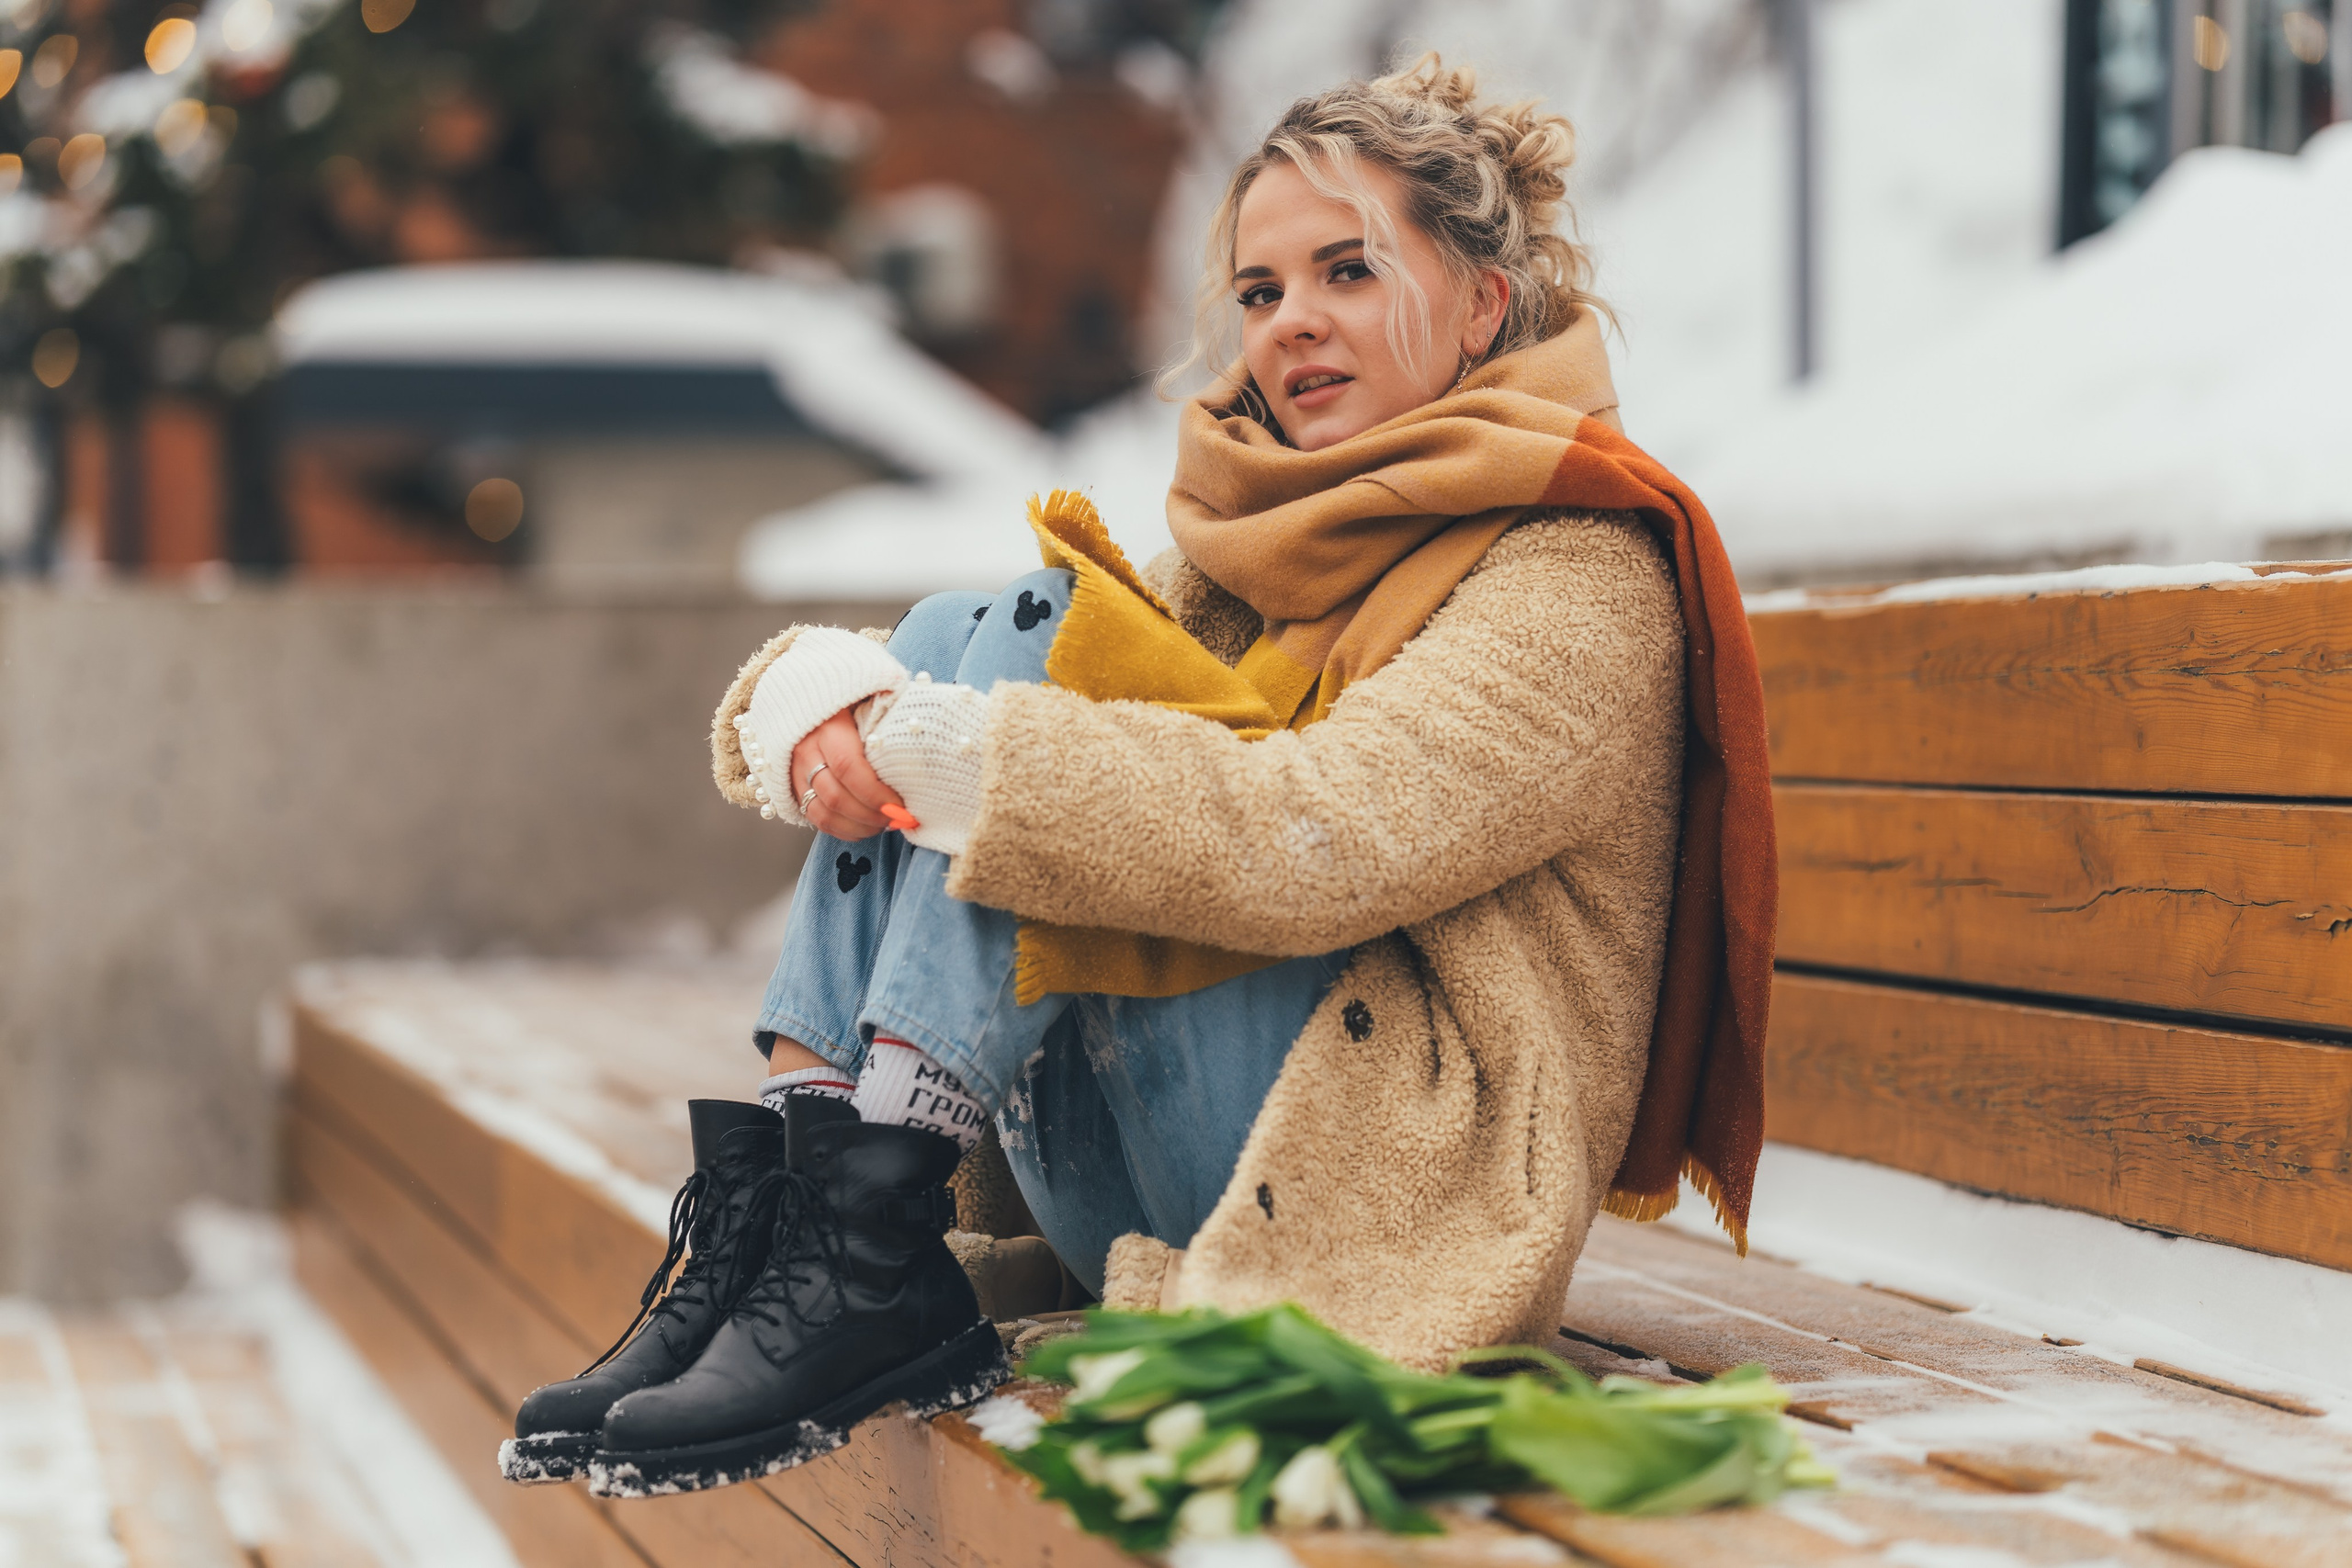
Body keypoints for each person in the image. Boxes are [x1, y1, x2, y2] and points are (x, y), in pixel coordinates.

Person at [503, 52, 1777, 1502]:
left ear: (1486, 301)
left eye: (1348, 273)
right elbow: (973, 682)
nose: (1290, 322)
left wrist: (955, 753)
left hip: (1374, 1202)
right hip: (1139, 1168)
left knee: (1029, 649)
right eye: (1259, 291)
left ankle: (857, 1248)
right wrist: (808, 707)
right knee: (953, 635)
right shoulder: (1267, 552)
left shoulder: (1575, 572)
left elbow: (1325, 835)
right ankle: (805, 1225)